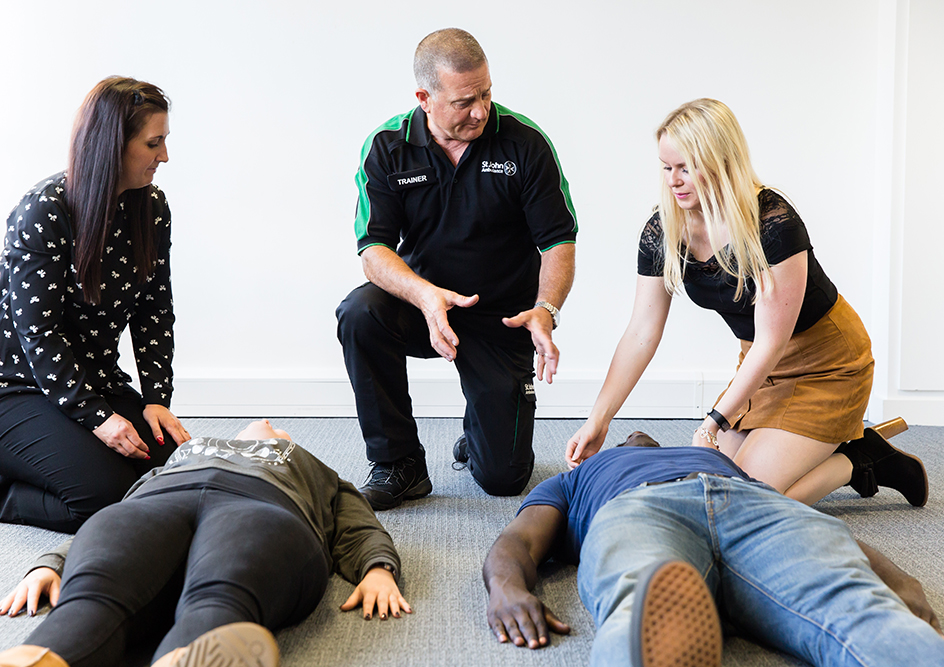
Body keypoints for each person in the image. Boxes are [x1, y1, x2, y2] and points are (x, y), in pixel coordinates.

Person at [564, 98, 927, 506]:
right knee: (716, 487)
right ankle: (843, 453)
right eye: (666, 168)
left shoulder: (773, 223)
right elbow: (641, 332)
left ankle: (861, 459)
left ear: (721, 161)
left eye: (685, 167)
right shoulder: (663, 231)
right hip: (760, 368)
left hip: (828, 366)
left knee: (746, 501)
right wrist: (598, 419)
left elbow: (773, 340)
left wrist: (710, 424)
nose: (673, 180)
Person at [336, 28, 578, 509]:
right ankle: (397, 462)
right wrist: (427, 297)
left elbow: (558, 242)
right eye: (465, 101)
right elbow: (374, 251)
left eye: (487, 94)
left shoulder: (525, 143)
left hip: (503, 315)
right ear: (425, 98)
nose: (481, 111)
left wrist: (545, 308)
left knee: (503, 478)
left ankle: (481, 432)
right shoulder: (387, 147)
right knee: (360, 313)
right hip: (424, 306)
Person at [0, 420, 409, 667]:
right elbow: (119, 519)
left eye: (273, 423)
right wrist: (52, 564)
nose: (264, 420)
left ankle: (188, 657)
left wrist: (377, 568)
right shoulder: (181, 455)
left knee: (222, 593)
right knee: (92, 593)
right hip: (161, 502)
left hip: (260, 507)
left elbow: (356, 520)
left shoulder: (306, 462)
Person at [483, 432, 943, 667]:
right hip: (638, 509)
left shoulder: (714, 456)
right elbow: (519, 539)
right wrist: (506, 588)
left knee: (854, 601)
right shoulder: (576, 477)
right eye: (631, 437)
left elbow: (812, 529)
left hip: (750, 503)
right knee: (643, 592)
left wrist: (900, 582)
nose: (639, 436)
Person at [0, 76, 190, 532]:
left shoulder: (152, 206)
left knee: (173, 475)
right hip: (10, 389)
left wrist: (157, 400)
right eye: (154, 143)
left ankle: (59, 459)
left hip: (89, 379)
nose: (164, 157)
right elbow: (39, 335)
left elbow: (154, 311)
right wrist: (99, 419)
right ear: (113, 145)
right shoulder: (44, 210)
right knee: (105, 501)